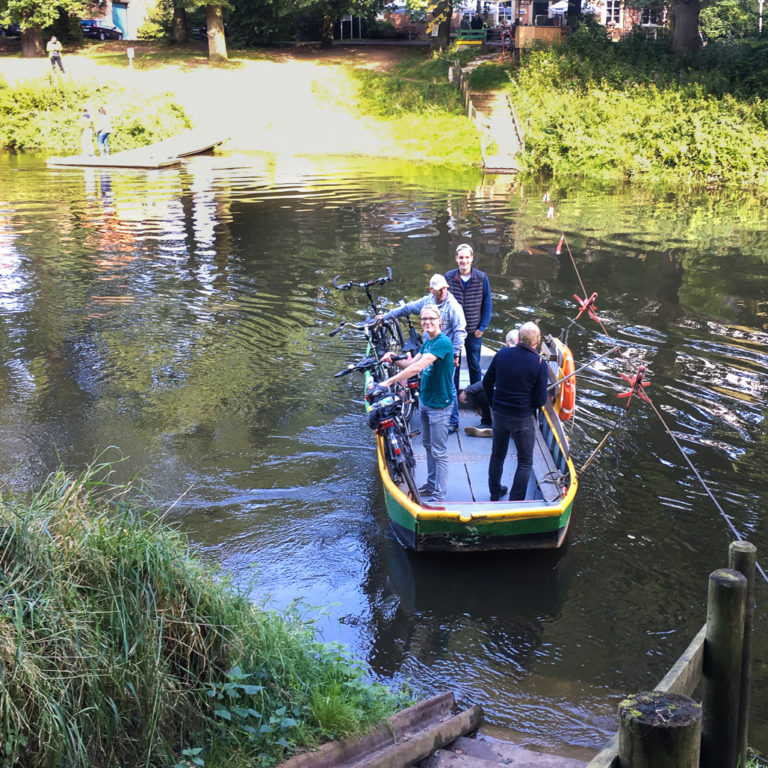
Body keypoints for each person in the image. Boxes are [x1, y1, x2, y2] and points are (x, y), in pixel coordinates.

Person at [380, 306, 454, 504]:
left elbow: (419, 368)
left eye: (431, 319)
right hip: (426, 402)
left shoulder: (442, 343)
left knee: (439, 451)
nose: (426, 322)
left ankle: (439, 495)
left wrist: (388, 382)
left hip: (440, 405)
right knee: (428, 446)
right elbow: (411, 363)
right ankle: (430, 485)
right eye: (423, 319)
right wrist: (394, 359)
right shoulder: (428, 342)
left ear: (440, 320)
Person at [379, 273, 466, 433]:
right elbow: (407, 308)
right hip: (428, 347)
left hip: (444, 352)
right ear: (431, 290)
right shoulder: (427, 301)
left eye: (445, 288)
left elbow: (460, 331)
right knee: (429, 377)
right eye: (439, 289)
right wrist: (386, 316)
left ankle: (453, 421)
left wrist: (455, 354)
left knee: (450, 386)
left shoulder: (453, 306)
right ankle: (429, 411)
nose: (443, 292)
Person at [482, 321, 548, 501]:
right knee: (525, 461)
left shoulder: (502, 354)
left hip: (500, 414)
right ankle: (515, 500)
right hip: (522, 418)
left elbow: (487, 382)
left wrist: (492, 404)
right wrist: (527, 407)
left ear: (518, 338)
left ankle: (495, 492)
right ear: (538, 341)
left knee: (497, 455)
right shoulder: (539, 364)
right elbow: (540, 400)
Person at [445, 242, 492, 395]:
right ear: (456, 259)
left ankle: (476, 397)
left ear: (471, 258)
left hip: (474, 331)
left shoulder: (481, 278)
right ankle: (456, 397)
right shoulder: (449, 277)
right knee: (454, 364)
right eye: (460, 258)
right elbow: (443, 303)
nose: (463, 261)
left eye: (466, 257)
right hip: (454, 331)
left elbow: (487, 304)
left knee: (475, 365)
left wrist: (482, 328)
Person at [460, 329, 517, 437]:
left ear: (507, 343)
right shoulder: (533, 359)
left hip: (503, 401)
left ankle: (488, 423)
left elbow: (487, 382)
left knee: (481, 392)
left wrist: (468, 390)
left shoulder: (502, 356)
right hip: (520, 407)